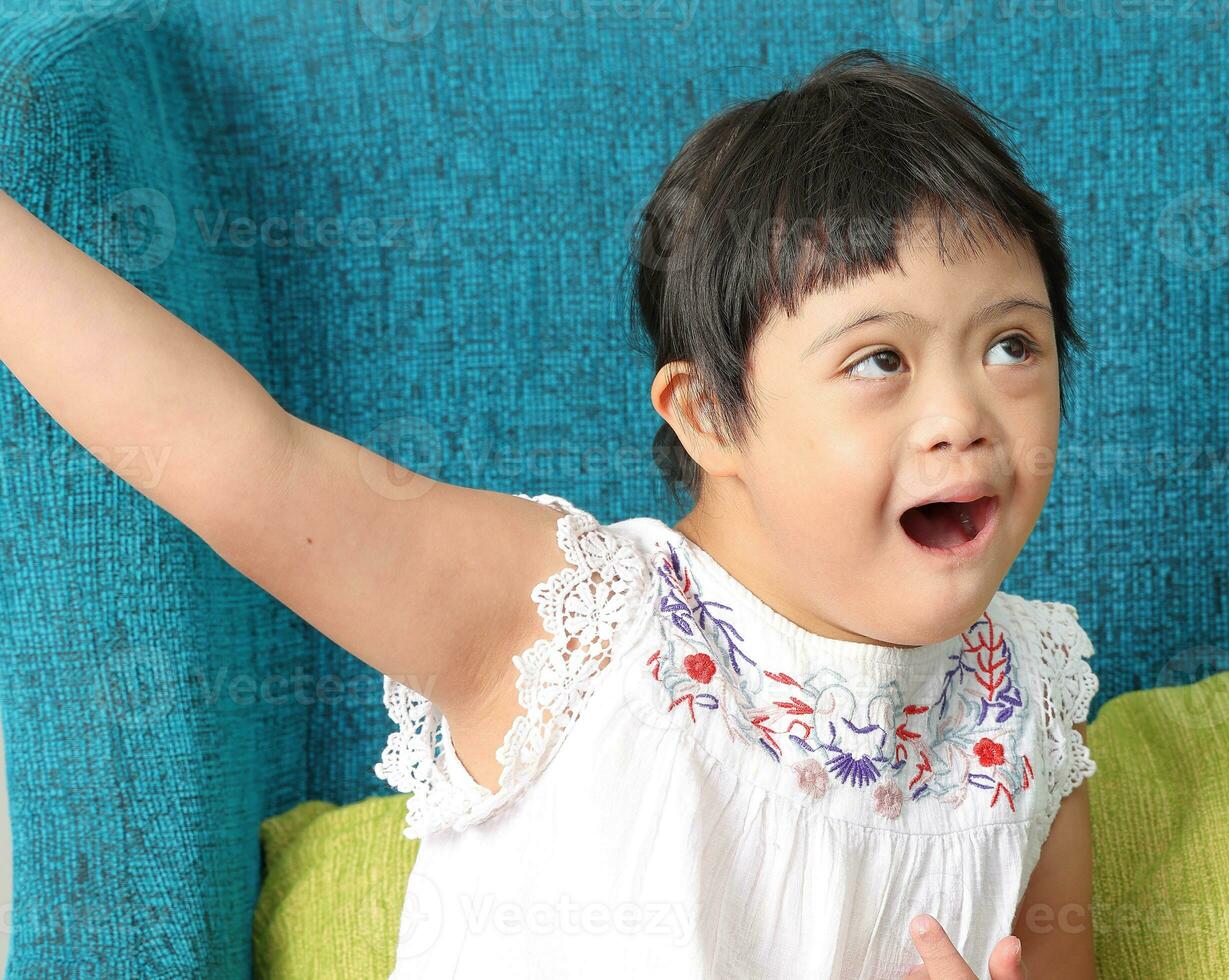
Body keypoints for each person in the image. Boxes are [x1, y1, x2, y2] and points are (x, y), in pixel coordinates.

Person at [1, 47, 1098, 979]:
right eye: (878, 358)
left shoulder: (1027, 711)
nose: (964, 414)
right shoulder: (568, 623)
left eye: (1012, 343)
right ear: (711, 414)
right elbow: (244, 462)